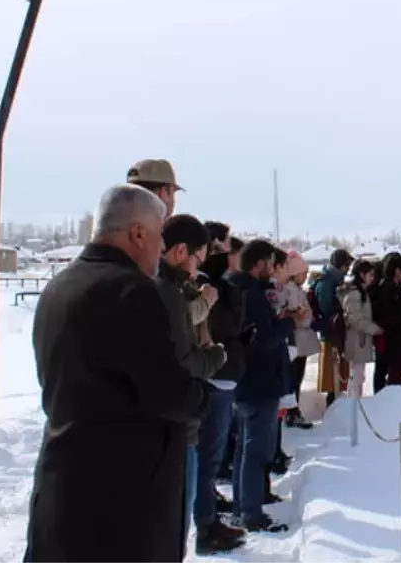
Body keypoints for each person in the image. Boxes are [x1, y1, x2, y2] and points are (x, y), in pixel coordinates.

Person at [25, 184, 209, 563]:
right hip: (121, 504)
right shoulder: (134, 292)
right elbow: (168, 393)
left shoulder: (59, 286)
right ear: (138, 233)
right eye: (159, 238)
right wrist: (202, 393)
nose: (161, 250)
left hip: (61, 489)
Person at [155, 215, 230, 552]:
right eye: (199, 259)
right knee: (166, 531)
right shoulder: (165, 292)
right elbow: (182, 360)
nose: (197, 269)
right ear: (181, 250)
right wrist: (215, 357)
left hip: (176, 421)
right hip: (171, 424)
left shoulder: (171, 288)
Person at [230, 240, 299, 533]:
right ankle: (250, 513)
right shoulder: (251, 295)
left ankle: (245, 505)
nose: (272, 270)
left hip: (247, 380)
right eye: (270, 263)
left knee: (245, 449)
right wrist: (288, 324)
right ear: (258, 264)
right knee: (256, 450)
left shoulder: (242, 290)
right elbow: (264, 339)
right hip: (258, 382)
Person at [195, 223, 248, 548]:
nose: (230, 255)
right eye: (224, 248)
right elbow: (222, 326)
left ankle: (208, 507)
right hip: (213, 376)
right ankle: (205, 525)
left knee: (211, 456)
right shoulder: (206, 288)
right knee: (207, 456)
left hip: (224, 374)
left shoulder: (220, 286)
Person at [277, 251, 319, 428]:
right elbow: (299, 316)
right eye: (303, 273)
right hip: (297, 340)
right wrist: (305, 317)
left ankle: (292, 411)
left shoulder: (295, 290)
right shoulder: (291, 291)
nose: (306, 277)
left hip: (300, 340)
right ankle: (292, 412)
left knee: (296, 378)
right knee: (294, 378)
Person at [338, 259, 383, 395]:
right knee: (356, 376)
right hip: (356, 340)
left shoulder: (361, 292)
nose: (372, 278)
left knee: (359, 375)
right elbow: (355, 319)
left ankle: (356, 404)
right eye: (370, 274)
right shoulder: (354, 294)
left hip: (361, 340)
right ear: (362, 275)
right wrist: (374, 329)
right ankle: (354, 406)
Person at [370, 254, 401, 390]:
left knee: (383, 370)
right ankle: (388, 399)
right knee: (392, 372)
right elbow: (389, 314)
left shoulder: (397, 286)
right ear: (397, 271)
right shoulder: (387, 288)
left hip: (392, 337)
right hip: (391, 337)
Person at [315, 249, 353, 405]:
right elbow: (326, 307)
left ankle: (337, 400)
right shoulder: (327, 281)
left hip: (338, 332)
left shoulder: (335, 279)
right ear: (341, 265)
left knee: (339, 371)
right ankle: (332, 404)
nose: (348, 270)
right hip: (331, 332)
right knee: (332, 373)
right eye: (347, 266)